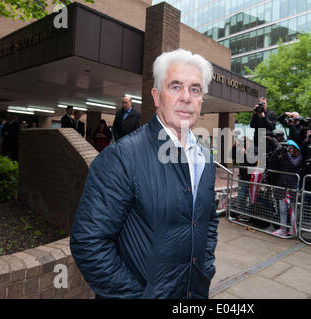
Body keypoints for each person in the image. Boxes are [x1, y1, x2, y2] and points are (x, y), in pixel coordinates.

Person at [70, 49, 218, 299]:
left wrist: (205, 268)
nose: (186, 97)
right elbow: (89, 243)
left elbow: (208, 220)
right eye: (175, 87)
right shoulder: (121, 157)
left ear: (201, 99)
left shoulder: (205, 157)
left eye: (195, 89)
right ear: (156, 96)